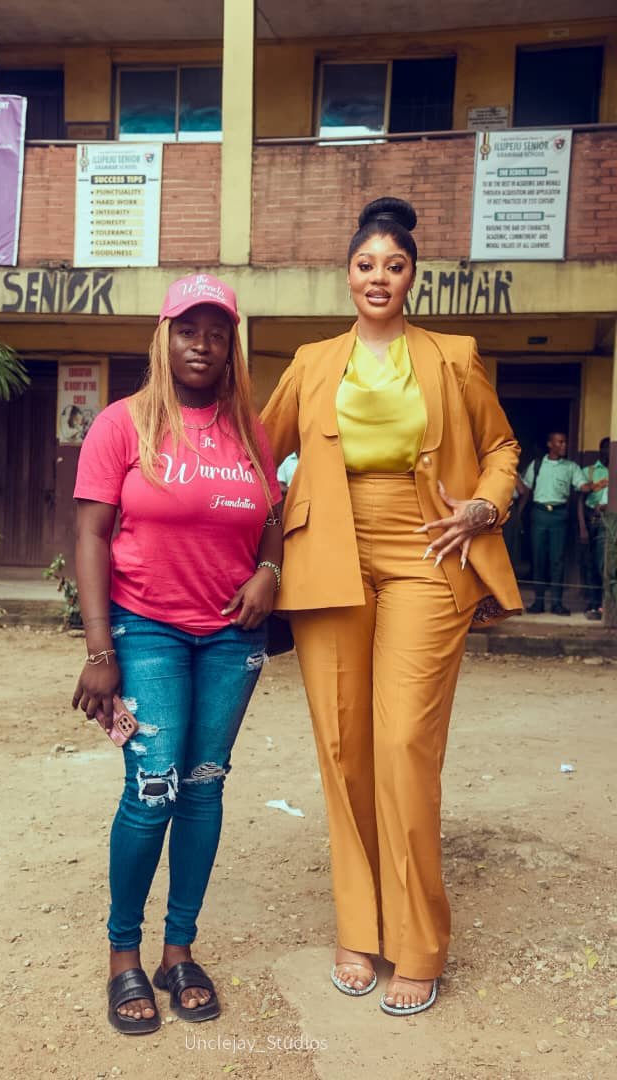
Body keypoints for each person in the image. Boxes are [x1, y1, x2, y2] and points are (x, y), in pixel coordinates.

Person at [261, 196, 522, 1017]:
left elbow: (502, 446)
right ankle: (357, 927)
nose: (379, 277)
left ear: (413, 277)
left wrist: (484, 506)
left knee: (405, 743)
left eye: (395, 266)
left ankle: (418, 944)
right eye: (366, 264)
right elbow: (256, 452)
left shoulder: (453, 356)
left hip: (428, 548)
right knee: (343, 748)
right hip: (327, 554)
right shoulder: (311, 362)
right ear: (348, 274)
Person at [71, 273, 283, 1035]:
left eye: (217, 333)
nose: (203, 344)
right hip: (147, 628)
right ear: (164, 338)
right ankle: (122, 955)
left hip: (232, 637)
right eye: (188, 330)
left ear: (231, 348)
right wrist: (100, 650)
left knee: (202, 786)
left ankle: (178, 951)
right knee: (153, 786)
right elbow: (91, 534)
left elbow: (270, 516)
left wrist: (269, 570)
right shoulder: (122, 425)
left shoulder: (249, 430)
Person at [521, 432, 595, 615]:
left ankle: (557, 603)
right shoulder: (537, 465)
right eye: (560, 442)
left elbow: (582, 485)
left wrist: (591, 486)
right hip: (539, 514)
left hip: (559, 515)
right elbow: (525, 490)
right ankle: (538, 603)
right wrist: (519, 514)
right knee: (538, 559)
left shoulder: (570, 467)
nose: (564, 445)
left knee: (557, 561)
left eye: (565, 442)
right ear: (550, 444)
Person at [578, 436, 610, 619]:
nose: (609, 452)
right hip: (592, 520)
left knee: (603, 563)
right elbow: (580, 501)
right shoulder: (589, 471)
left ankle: (604, 604)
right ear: (601, 450)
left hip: (609, 522)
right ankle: (593, 603)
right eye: (606, 449)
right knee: (590, 563)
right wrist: (582, 526)